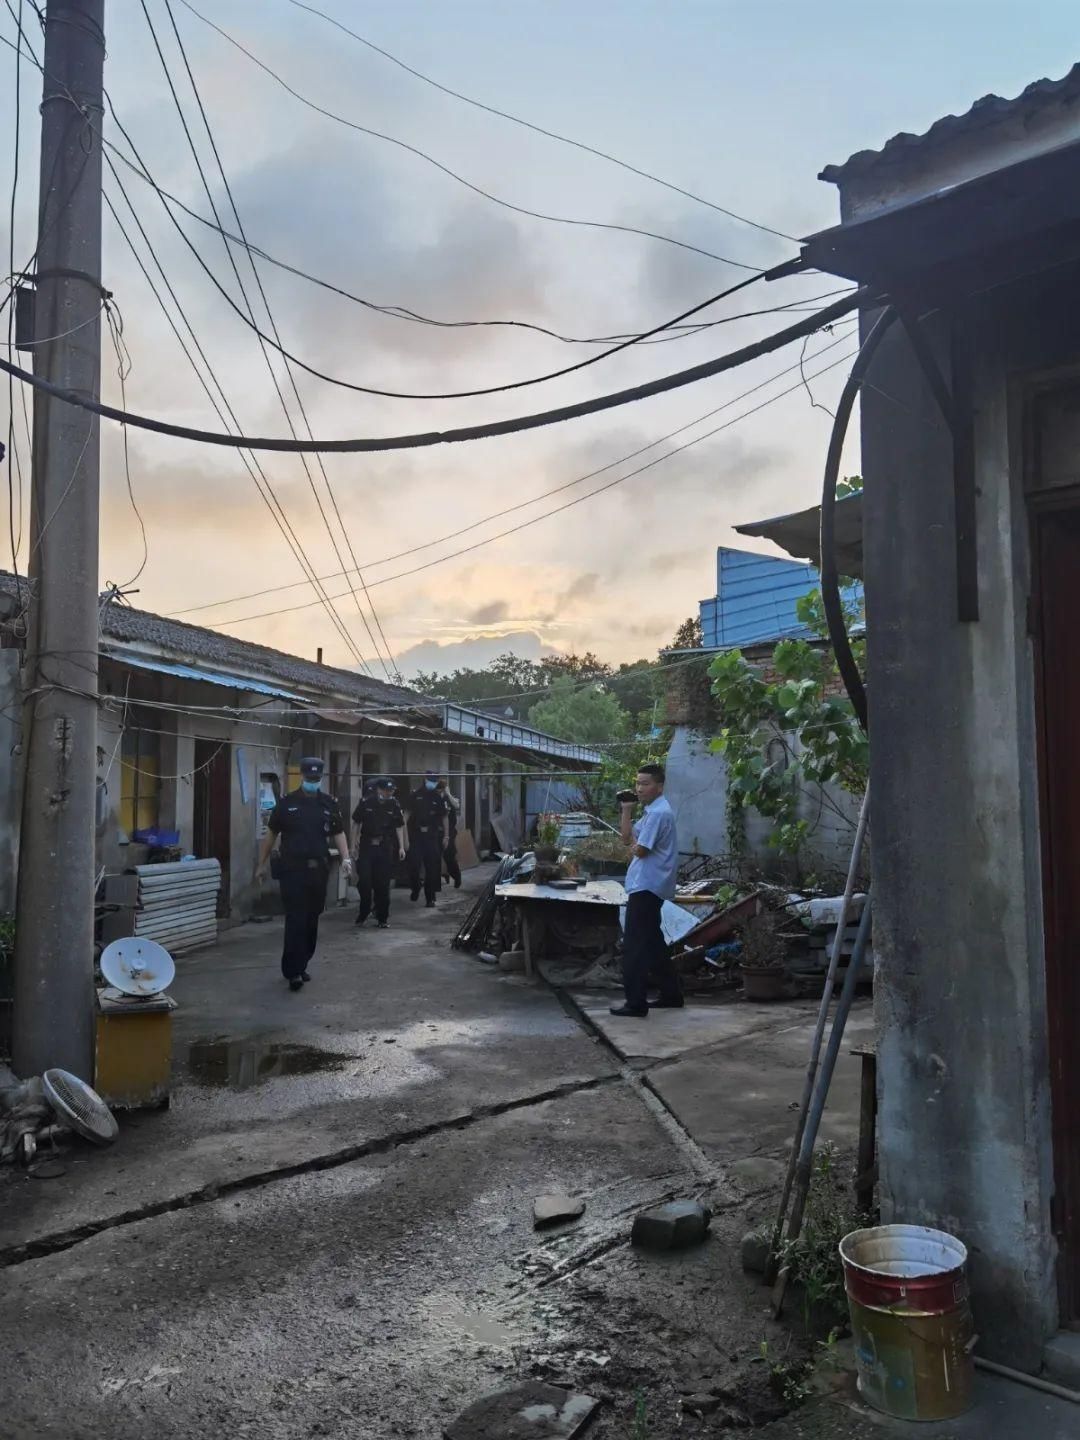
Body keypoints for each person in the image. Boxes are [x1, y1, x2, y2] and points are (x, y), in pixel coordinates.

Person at [256, 757, 352, 992]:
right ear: (302, 777)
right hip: (293, 870)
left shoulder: (328, 804)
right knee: (296, 918)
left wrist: (346, 858)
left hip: (318, 870)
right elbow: (271, 835)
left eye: (316, 779)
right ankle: (293, 971)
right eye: (309, 778)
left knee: (312, 918)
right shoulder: (287, 804)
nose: (312, 781)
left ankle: (303, 962)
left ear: (321, 778)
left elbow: (339, 832)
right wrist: (261, 864)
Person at [610, 763, 683, 1019]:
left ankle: (636, 1002)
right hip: (647, 884)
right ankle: (672, 994)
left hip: (647, 885)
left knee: (634, 945)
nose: (640, 788)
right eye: (638, 783)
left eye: (645, 784)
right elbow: (626, 838)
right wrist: (627, 810)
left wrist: (635, 846)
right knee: (652, 942)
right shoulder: (651, 811)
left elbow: (640, 849)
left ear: (659, 786)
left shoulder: (659, 813)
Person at [353, 777, 406, 929]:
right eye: (386, 790)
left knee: (383, 884)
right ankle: (363, 914)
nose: (389, 793)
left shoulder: (394, 804)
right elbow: (356, 823)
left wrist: (401, 847)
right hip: (367, 847)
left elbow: (399, 826)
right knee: (364, 882)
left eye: (391, 791)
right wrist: (353, 844)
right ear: (378, 790)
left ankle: (382, 918)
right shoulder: (366, 803)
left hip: (384, 847)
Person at [407, 770, 449, 907]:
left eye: (435, 780)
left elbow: (444, 817)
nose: (433, 782)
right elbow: (406, 815)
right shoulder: (415, 795)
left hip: (432, 837)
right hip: (416, 836)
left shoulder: (438, 797)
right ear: (425, 779)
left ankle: (430, 898)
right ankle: (415, 887)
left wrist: (446, 836)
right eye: (431, 779)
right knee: (413, 865)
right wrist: (404, 838)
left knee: (432, 869)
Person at [436, 776, 462, 889]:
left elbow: (457, 805)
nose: (440, 791)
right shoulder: (434, 798)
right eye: (439, 789)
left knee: (449, 857)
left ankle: (456, 877)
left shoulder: (449, 799)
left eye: (442, 788)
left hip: (450, 832)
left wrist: (448, 794)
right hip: (436, 832)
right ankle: (436, 884)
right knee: (434, 858)